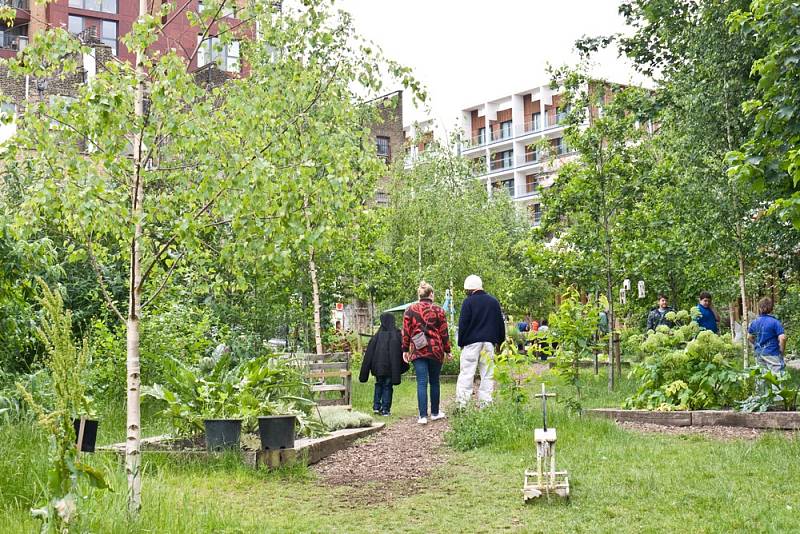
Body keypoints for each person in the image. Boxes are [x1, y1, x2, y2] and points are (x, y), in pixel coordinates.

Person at [401, 281, 451, 424]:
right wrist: (447, 351)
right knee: (435, 381)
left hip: (418, 350)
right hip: (436, 350)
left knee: (421, 382)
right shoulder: (439, 311)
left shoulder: (410, 310)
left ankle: (422, 416)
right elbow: (444, 333)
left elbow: (406, 332)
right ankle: (435, 413)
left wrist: (405, 349)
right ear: (431, 294)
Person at [456, 275, 505, 407]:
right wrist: (500, 342)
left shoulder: (468, 302)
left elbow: (463, 324)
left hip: (471, 344)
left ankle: (462, 404)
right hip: (488, 343)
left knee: (467, 373)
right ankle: (485, 404)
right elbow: (500, 324)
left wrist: (461, 343)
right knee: (487, 374)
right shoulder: (493, 302)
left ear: (469, 289)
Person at [359, 312, 408, 416]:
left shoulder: (377, 336)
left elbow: (369, 354)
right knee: (387, 386)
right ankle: (385, 409)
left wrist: (365, 371)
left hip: (377, 368)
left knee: (378, 385)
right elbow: (402, 351)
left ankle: (376, 407)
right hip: (391, 368)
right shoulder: (396, 335)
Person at [748, 297, 787, 375]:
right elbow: (782, 338)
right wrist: (781, 352)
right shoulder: (775, 322)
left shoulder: (754, 322)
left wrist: (756, 344)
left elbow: (749, 337)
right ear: (772, 308)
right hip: (772, 353)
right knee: (776, 378)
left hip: (759, 353)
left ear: (759, 308)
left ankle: (761, 387)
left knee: (760, 378)